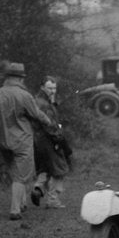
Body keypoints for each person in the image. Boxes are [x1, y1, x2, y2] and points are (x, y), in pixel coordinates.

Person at [0, 62, 54, 221]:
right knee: (22, 177)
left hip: (3, 142)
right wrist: (49, 122)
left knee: (15, 175)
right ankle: (15, 210)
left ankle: (22, 203)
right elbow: (36, 114)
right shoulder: (24, 95)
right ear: (20, 79)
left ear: (6, 77)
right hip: (22, 141)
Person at [32, 76, 71, 209]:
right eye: (50, 88)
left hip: (38, 141)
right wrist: (58, 138)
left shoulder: (39, 100)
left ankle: (37, 189)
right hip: (48, 139)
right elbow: (48, 123)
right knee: (60, 169)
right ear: (42, 87)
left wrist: (53, 103)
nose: (53, 91)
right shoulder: (44, 103)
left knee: (45, 167)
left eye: (54, 88)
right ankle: (53, 200)